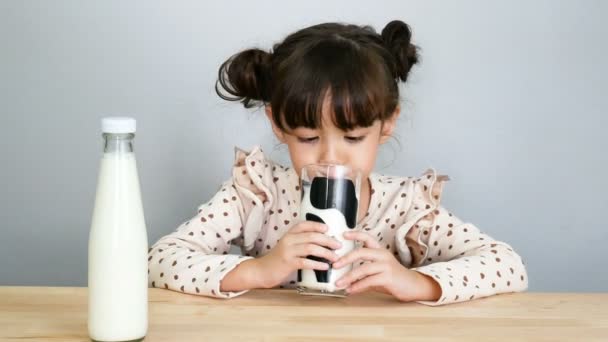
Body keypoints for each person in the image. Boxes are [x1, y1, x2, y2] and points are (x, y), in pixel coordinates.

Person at [148, 20, 528, 305]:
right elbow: (160, 261)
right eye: (309, 138)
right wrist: (262, 271)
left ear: (387, 124)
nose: (331, 156)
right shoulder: (257, 195)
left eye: (353, 138)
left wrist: (414, 282)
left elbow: (507, 265)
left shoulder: (405, 209)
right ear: (278, 125)